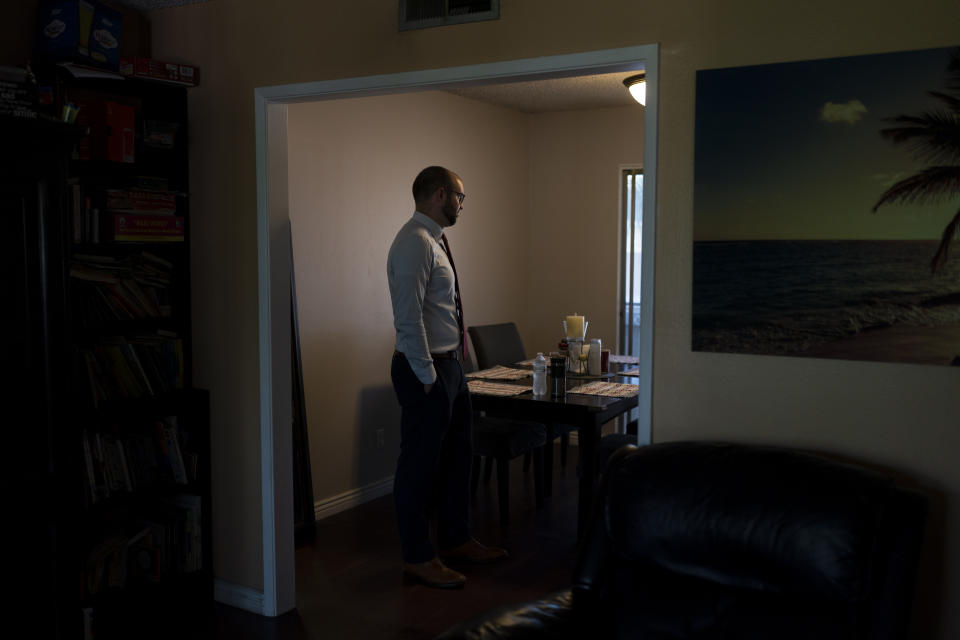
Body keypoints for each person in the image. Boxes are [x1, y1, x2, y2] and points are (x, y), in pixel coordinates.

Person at [387, 166, 507, 588]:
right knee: (419, 466)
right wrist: (425, 375)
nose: (461, 204)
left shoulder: (435, 242)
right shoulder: (413, 244)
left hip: (450, 365)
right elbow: (408, 318)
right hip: (426, 369)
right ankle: (417, 556)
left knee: (459, 456)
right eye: (460, 196)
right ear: (440, 194)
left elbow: (439, 311)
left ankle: (455, 540)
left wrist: (456, 365)